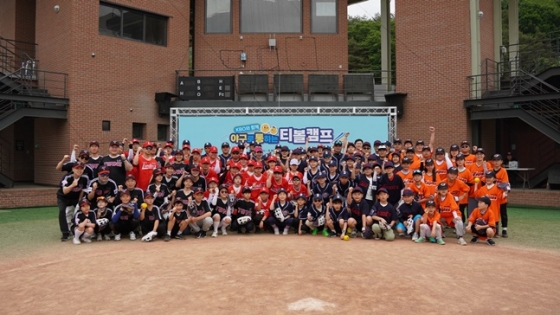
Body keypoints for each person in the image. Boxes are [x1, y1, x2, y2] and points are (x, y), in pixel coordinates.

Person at [56, 162, 89, 241]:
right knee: (62, 211)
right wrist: (72, 185)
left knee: (81, 210)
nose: (79, 170)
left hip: (75, 198)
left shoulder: (85, 178)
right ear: (73, 169)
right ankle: (65, 233)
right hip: (63, 197)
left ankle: (77, 230)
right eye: (77, 168)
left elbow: (83, 190)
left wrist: (79, 201)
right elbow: (64, 191)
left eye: (81, 168)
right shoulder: (67, 177)